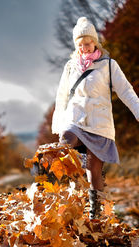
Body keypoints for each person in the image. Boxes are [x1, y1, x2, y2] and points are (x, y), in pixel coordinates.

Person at [52, 17, 139, 220]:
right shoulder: (70, 66)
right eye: (80, 44)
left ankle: (95, 211)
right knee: (65, 142)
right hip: (76, 118)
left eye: (88, 42)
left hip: (99, 124)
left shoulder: (109, 65)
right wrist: (58, 121)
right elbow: (62, 95)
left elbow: (126, 90)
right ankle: (60, 194)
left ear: (95, 42)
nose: (84, 47)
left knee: (93, 169)